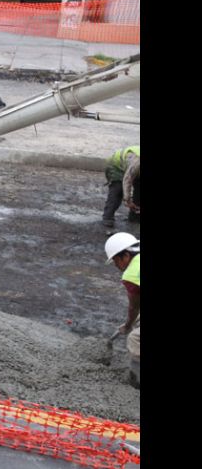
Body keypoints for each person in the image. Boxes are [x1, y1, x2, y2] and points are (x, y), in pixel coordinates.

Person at [104, 232, 140, 389]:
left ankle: (136, 384)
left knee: (135, 339)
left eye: (115, 261)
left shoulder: (131, 274)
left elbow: (134, 306)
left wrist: (128, 325)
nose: (116, 266)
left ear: (125, 255)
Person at [102, 145, 140, 228]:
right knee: (118, 190)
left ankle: (135, 217)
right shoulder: (137, 162)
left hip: (132, 168)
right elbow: (127, 180)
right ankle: (108, 217)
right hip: (116, 166)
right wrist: (128, 200)